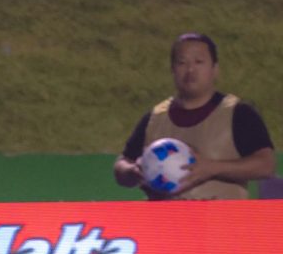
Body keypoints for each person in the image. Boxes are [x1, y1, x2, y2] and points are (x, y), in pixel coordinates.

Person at [114, 32, 275, 199]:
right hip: (165, 223)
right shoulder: (155, 118)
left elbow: (266, 165)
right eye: (182, 63)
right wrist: (133, 171)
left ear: (215, 69)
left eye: (199, 62)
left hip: (221, 222)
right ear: (172, 69)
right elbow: (122, 164)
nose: (190, 70)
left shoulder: (238, 113)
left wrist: (212, 168)